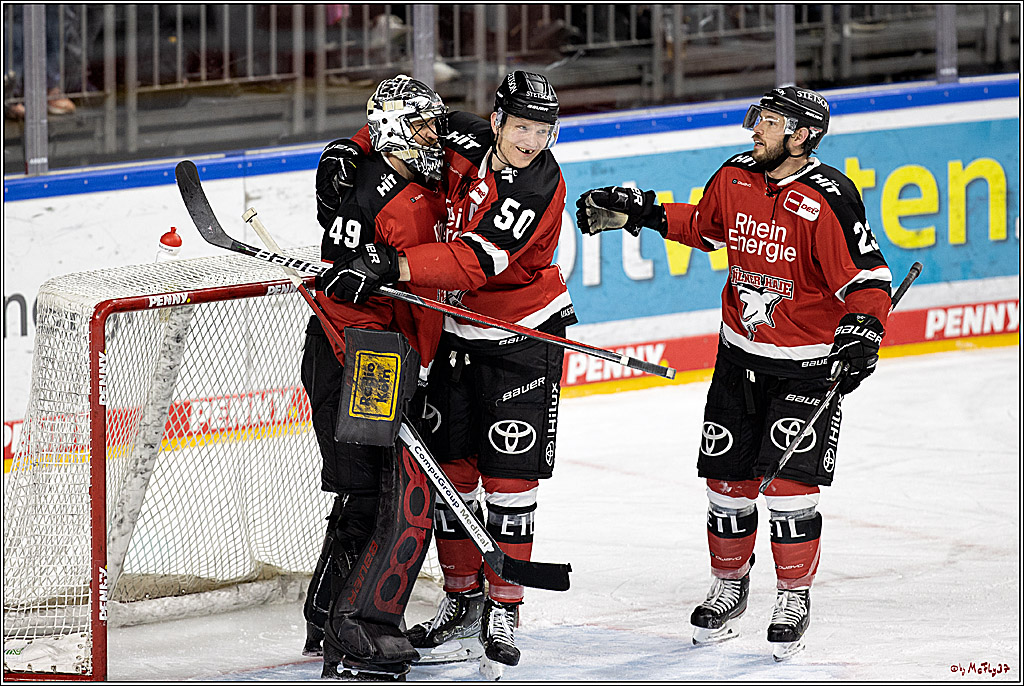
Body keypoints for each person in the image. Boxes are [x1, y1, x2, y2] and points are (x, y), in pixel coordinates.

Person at [575, 86, 892, 661]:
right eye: (758, 120)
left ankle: (793, 596)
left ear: (802, 137)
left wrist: (863, 333)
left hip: (805, 367)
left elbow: (868, 278)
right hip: (739, 358)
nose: (755, 132)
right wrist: (642, 211)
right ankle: (729, 586)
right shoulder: (736, 173)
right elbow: (704, 226)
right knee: (727, 484)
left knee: (791, 491)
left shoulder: (829, 198)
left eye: (769, 124)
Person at [318, 70, 574, 677]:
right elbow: (402, 123)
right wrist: (346, 151)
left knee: (509, 480)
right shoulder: (465, 138)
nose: (531, 140)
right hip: (455, 339)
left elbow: (470, 262)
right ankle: (462, 602)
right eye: (521, 126)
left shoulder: (535, 183)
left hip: (519, 340)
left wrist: (388, 264)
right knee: (451, 477)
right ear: (496, 122)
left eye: (543, 129)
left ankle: (504, 605)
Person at [302, 74, 448, 681]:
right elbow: (422, 298)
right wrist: (422, 369)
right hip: (371, 358)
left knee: (363, 493)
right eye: (420, 127)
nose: (432, 137)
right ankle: (352, 630)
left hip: (348, 350)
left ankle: (327, 614)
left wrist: (349, 144)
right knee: (379, 496)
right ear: (392, 130)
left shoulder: (364, 171)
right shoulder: (404, 203)